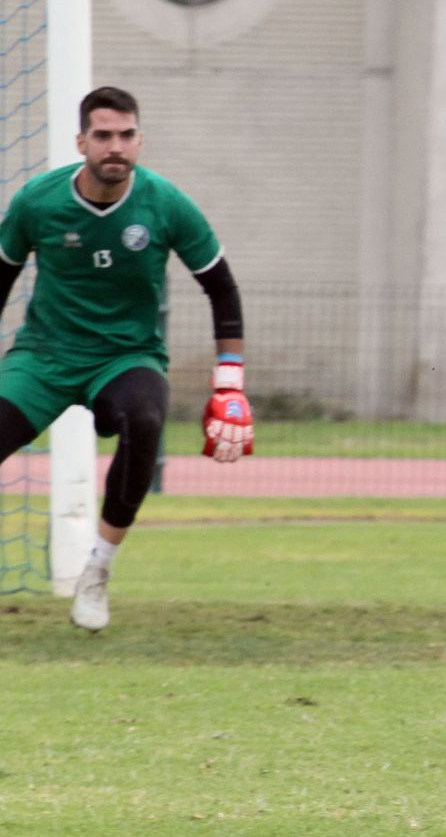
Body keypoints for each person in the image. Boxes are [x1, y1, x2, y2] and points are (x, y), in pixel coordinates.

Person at [0, 86, 255, 631]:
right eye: (103, 135)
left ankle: (97, 571)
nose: (115, 146)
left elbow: (223, 290)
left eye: (126, 135)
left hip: (125, 356)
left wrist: (229, 384)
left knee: (145, 419)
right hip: (44, 356)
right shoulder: (37, 202)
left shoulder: (165, 203)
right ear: (81, 142)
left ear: (140, 139)